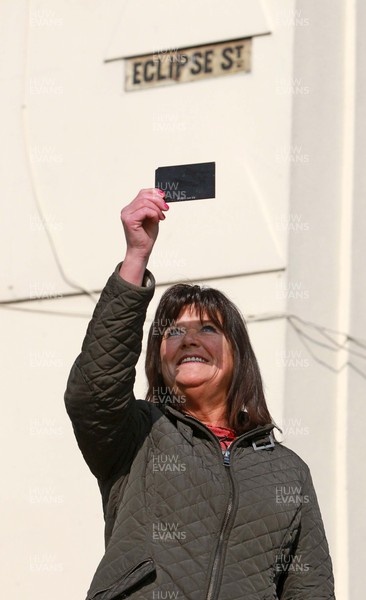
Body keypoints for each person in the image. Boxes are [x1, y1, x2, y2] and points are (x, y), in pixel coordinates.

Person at [64, 189, 335, 600]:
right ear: (159, 358)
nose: (189, 338)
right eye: (173, 331)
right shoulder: (137, 435)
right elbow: (93, 392)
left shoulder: (288, 471)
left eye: (208, 328)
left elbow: (309, 588)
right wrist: (136, 257)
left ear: (237, 355)